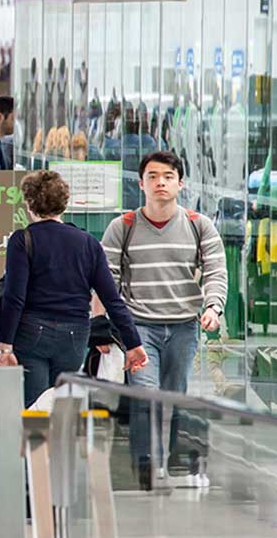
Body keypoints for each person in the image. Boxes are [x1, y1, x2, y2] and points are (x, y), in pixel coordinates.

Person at [100, 151, 227, 488]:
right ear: (141, 183)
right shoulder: (122, 227)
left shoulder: (200, 225)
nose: (160, 182)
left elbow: (216, 271)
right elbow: (105, 282)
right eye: (153, 176)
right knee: (144, 395)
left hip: (185, 325)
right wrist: (108, 327)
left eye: (168, 176)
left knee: (175, 395)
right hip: (139, 327)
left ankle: (167, 459)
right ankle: (145, 466)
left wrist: (213, 307)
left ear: (180, 183)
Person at [0, 171, 147, 408]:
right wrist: (133, 343)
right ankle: (63, 445)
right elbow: (111, 298)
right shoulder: (87, 242)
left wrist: (5, 346)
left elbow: (14, 298)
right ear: (64, 203)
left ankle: (38, 445)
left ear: (29, 204)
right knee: (65, 405)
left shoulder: (22, 239)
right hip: (75, 335)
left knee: (36, 406)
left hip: (32, 331)